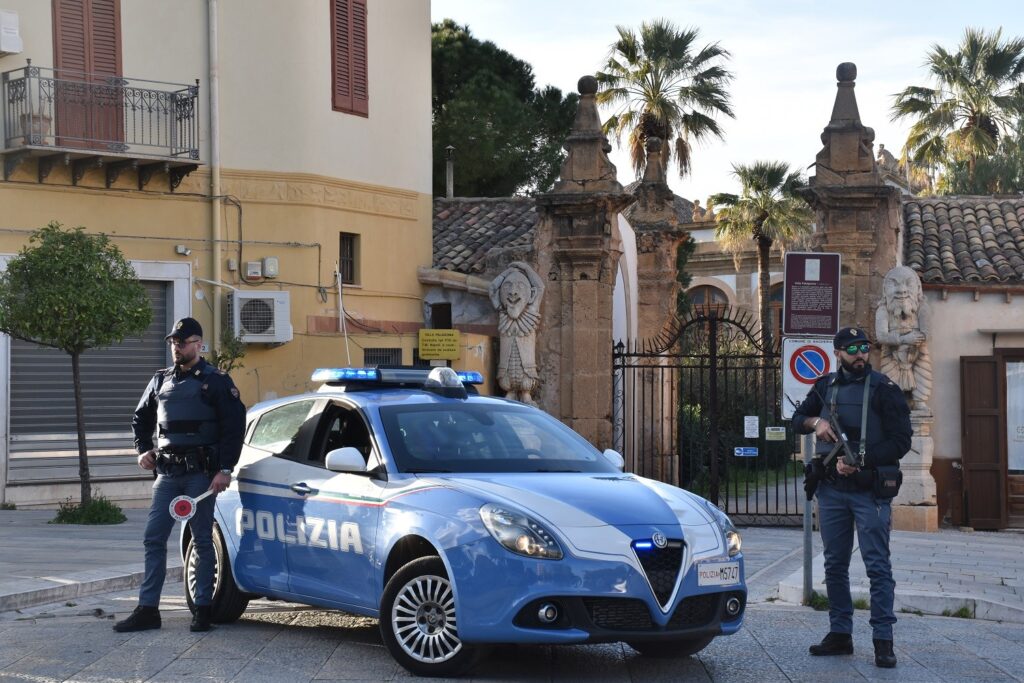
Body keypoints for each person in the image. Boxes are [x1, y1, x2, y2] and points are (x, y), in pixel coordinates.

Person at [113, 317, 246, 633]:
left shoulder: (216, 381)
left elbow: (233, 428)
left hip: (200, 475)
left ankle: (202, 610)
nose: (177, 347)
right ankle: (148, 610)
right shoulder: (160, 380)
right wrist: (142, 449)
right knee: (153, 538)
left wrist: (224, 470)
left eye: (182, 342)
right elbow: (140, 418)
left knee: (201, 541)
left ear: (198, 344)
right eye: (173, 342)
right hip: (168, 473)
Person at [792, 327, 912, 669]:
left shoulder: (885, 390)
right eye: (853, 349)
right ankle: (840, 633)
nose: (861, 354)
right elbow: (796, 419)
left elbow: (901, 441)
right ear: (838, 353)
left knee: (877, 566)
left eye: (865, 348)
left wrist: (860, 461)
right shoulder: (824, 385)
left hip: (868, 491)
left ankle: (883, 640)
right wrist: (815, 422)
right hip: (831, 491)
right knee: (834, 564)